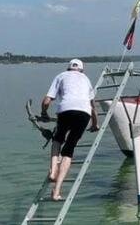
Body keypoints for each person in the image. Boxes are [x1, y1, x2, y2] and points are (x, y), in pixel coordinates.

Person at [41, 59, 98, 201]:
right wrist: (95, 124)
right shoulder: (86, 79)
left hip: (65, 110)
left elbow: (47, 101)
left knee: (58, 139)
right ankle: (56, 192)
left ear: (68, 69)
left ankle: (53, 171)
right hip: (84, 113)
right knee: (69, 150)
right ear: (82, 70)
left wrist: (44, 113)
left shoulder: (61, 76)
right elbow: (93, 107)